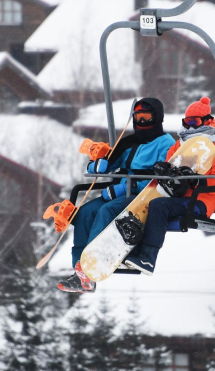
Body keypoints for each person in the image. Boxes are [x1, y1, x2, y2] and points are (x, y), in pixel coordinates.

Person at [57, 98, 175, 293]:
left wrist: (126, 187)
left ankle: (93, 265)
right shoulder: (129, 142)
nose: (142, 122)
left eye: (146, 117)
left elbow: (162, 178)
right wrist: (99, 165)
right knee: (85, 213)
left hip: (144, 195)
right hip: (120, 191)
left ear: (157, 117)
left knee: (106, 211)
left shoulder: (166, 144)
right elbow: (108, 162)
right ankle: (80, 271)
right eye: (138, 117)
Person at [124, 96, 215, 275]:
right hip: (178, 196)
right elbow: (169, 166)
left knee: (158, 206)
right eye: (186, 121)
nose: (190, 126)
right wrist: (162, 169)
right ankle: (131, 252)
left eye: (194, 121)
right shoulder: (178, 146)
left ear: (207, 121)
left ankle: (148, 258)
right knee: (138, 205)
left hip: (201, 200)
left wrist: (196, 179)